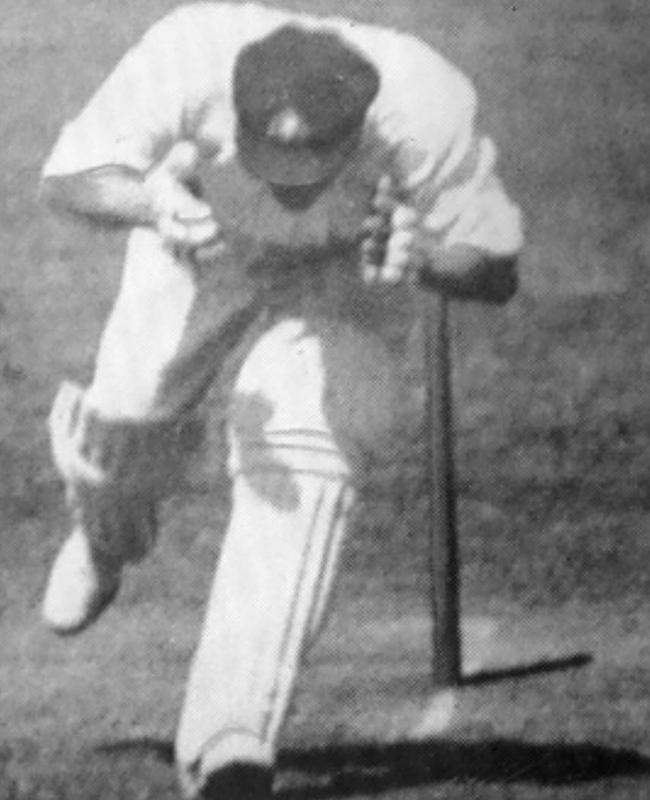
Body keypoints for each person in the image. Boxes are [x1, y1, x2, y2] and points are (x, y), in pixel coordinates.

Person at [39, 3, 523, 798]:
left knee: (304, 440)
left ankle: (232, 734)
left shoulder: (426, 102)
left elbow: (496, 267)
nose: (290, 186)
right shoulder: (187, 51)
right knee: (125, 420)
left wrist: (427, 254)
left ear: (360, 124)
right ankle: (106, 535)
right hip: (201, 236)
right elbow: (69, 178)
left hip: (350, 271)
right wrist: (153, 204)